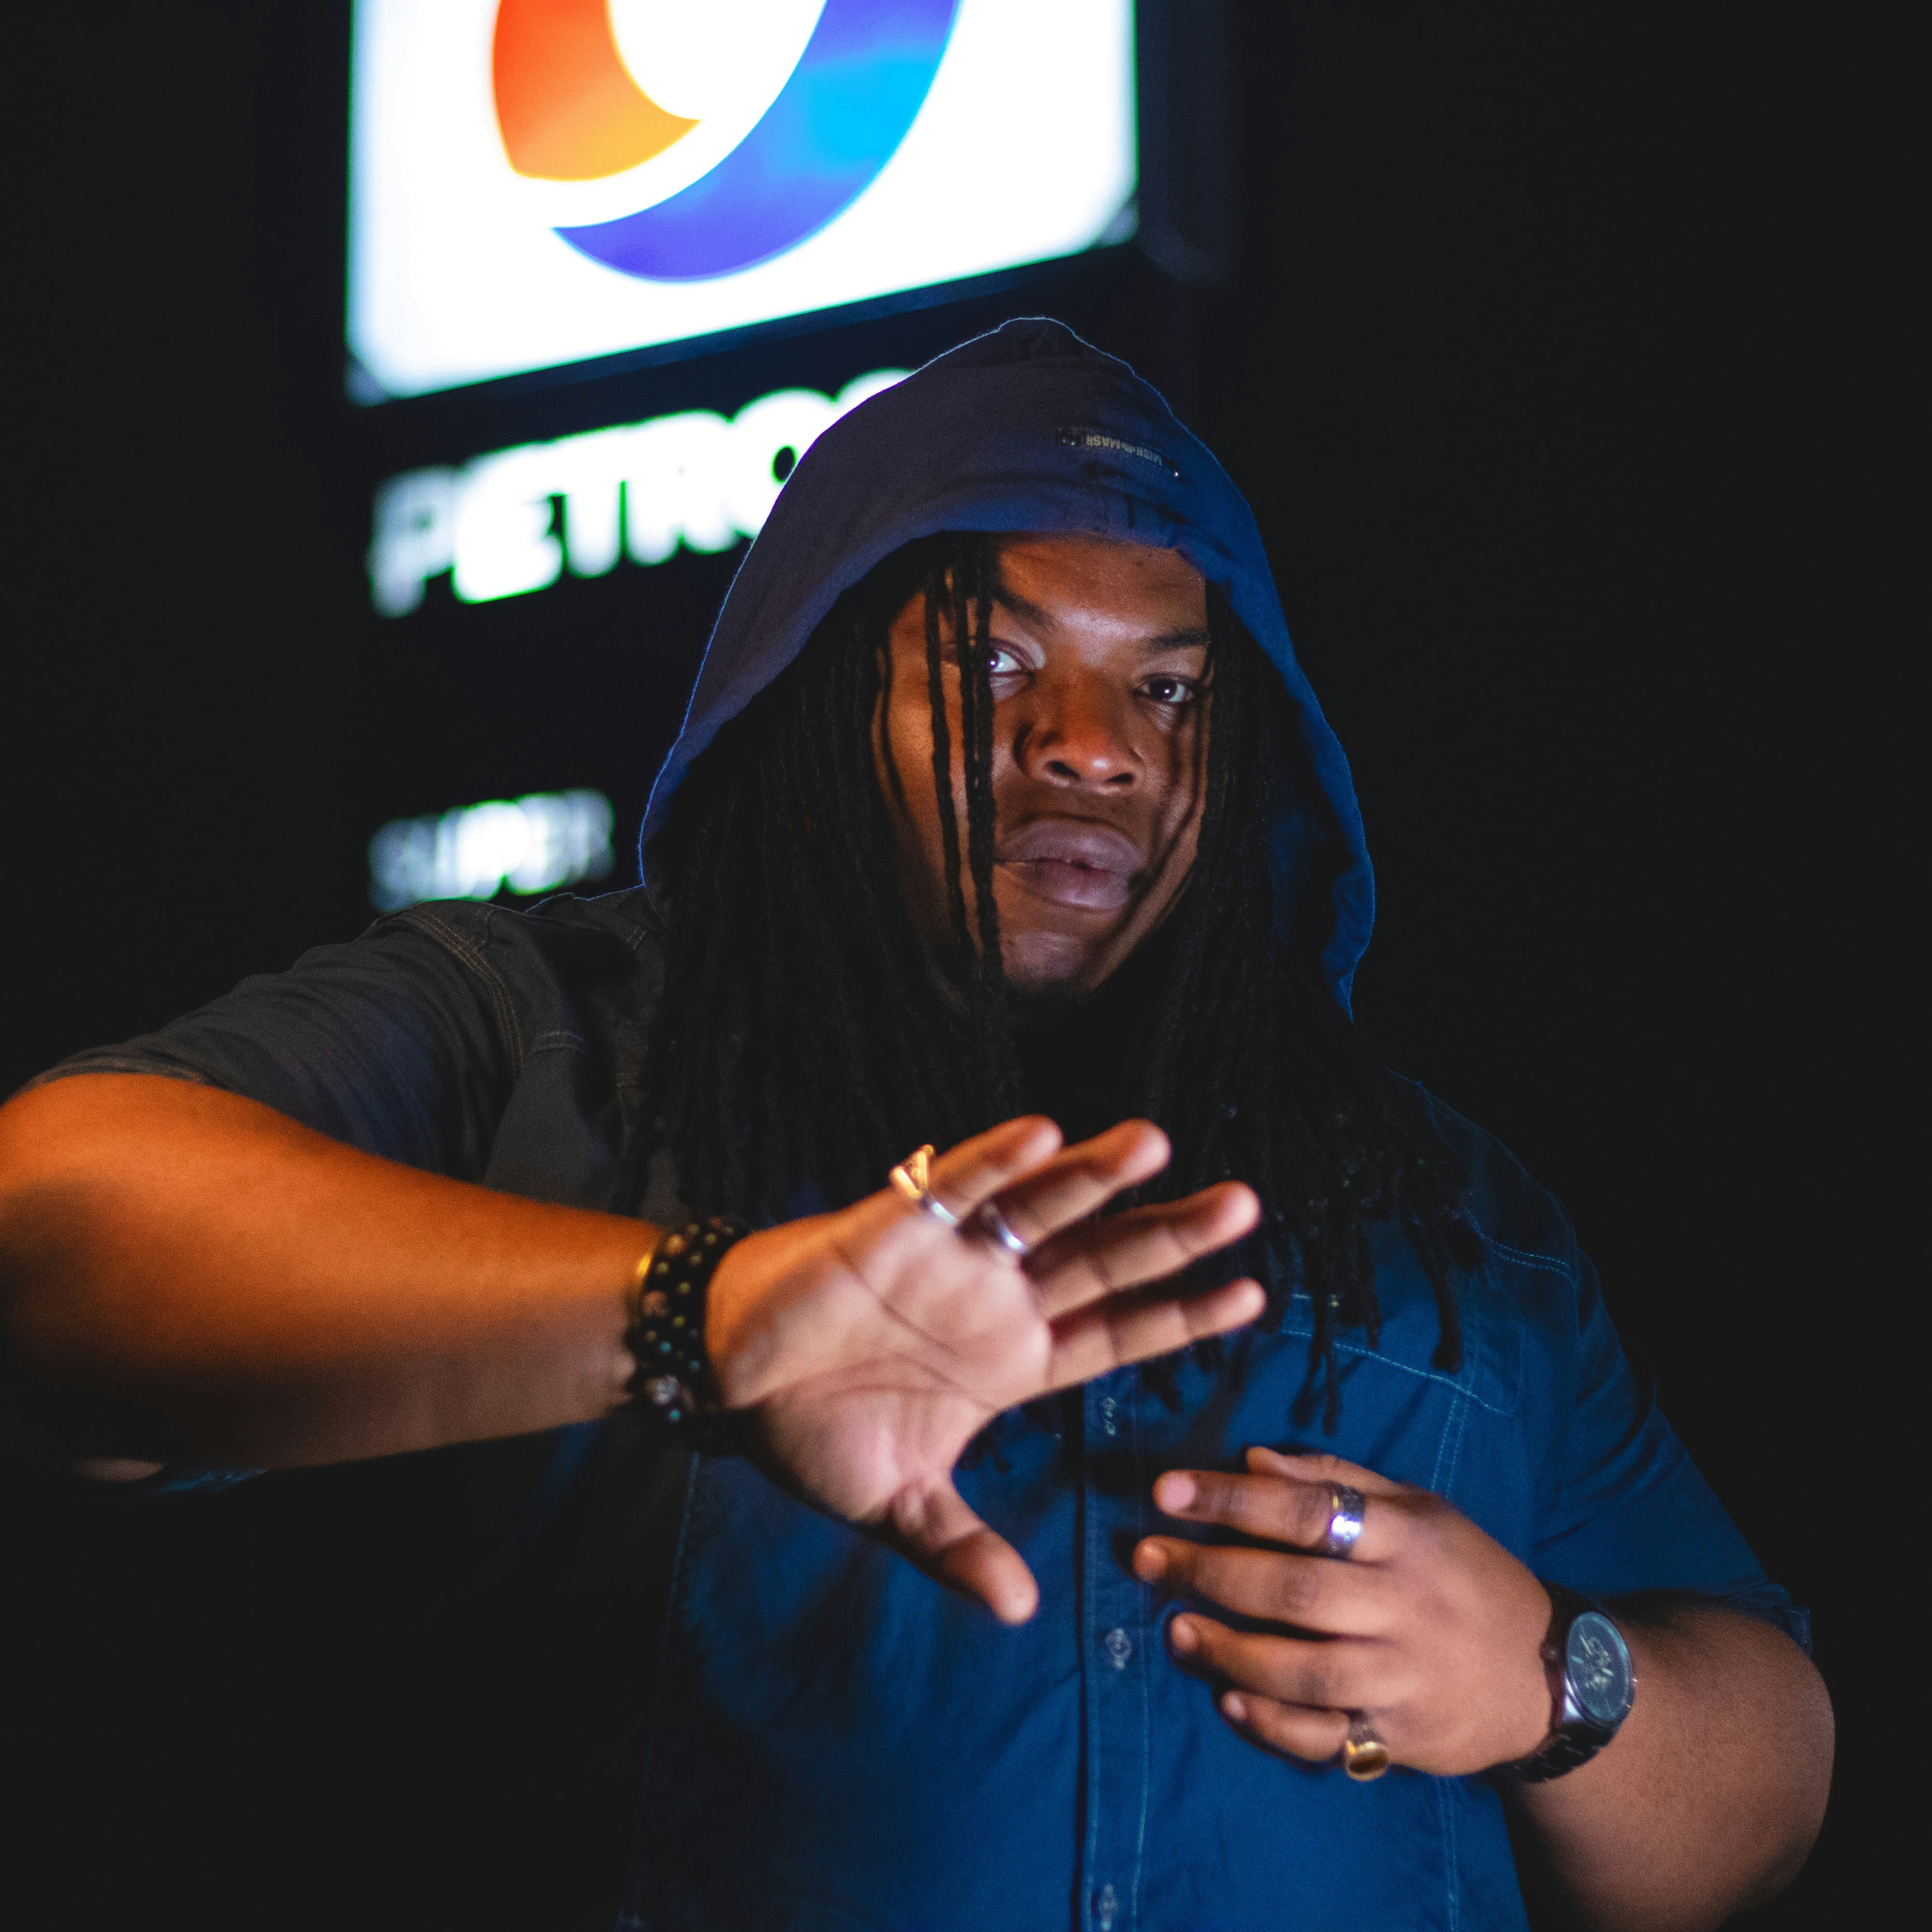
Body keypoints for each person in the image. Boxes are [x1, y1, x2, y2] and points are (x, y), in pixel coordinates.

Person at [0, 321, 1830, 1930]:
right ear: (815, 700)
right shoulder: (541, 1032)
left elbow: (1761, 1793)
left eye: (1170, 687)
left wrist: (1546, 1684)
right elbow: (52, 1231)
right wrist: (698, 1317)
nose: (1094, 745)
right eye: (993, 663)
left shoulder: (1450, 1211)